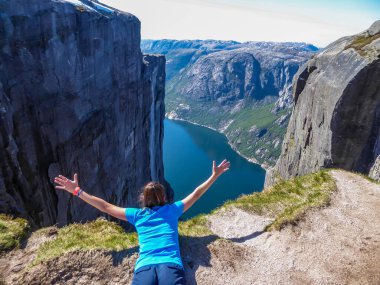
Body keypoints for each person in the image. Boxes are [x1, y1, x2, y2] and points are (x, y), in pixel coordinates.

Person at [54, 159, 230, 285]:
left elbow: (105, 207)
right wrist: (215, 175)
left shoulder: (137, 215)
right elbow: (197, 193)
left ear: (144, 199)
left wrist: (77, 191)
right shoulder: (173, 210)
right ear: (164, 197)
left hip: (144, 266)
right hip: (170, 264)